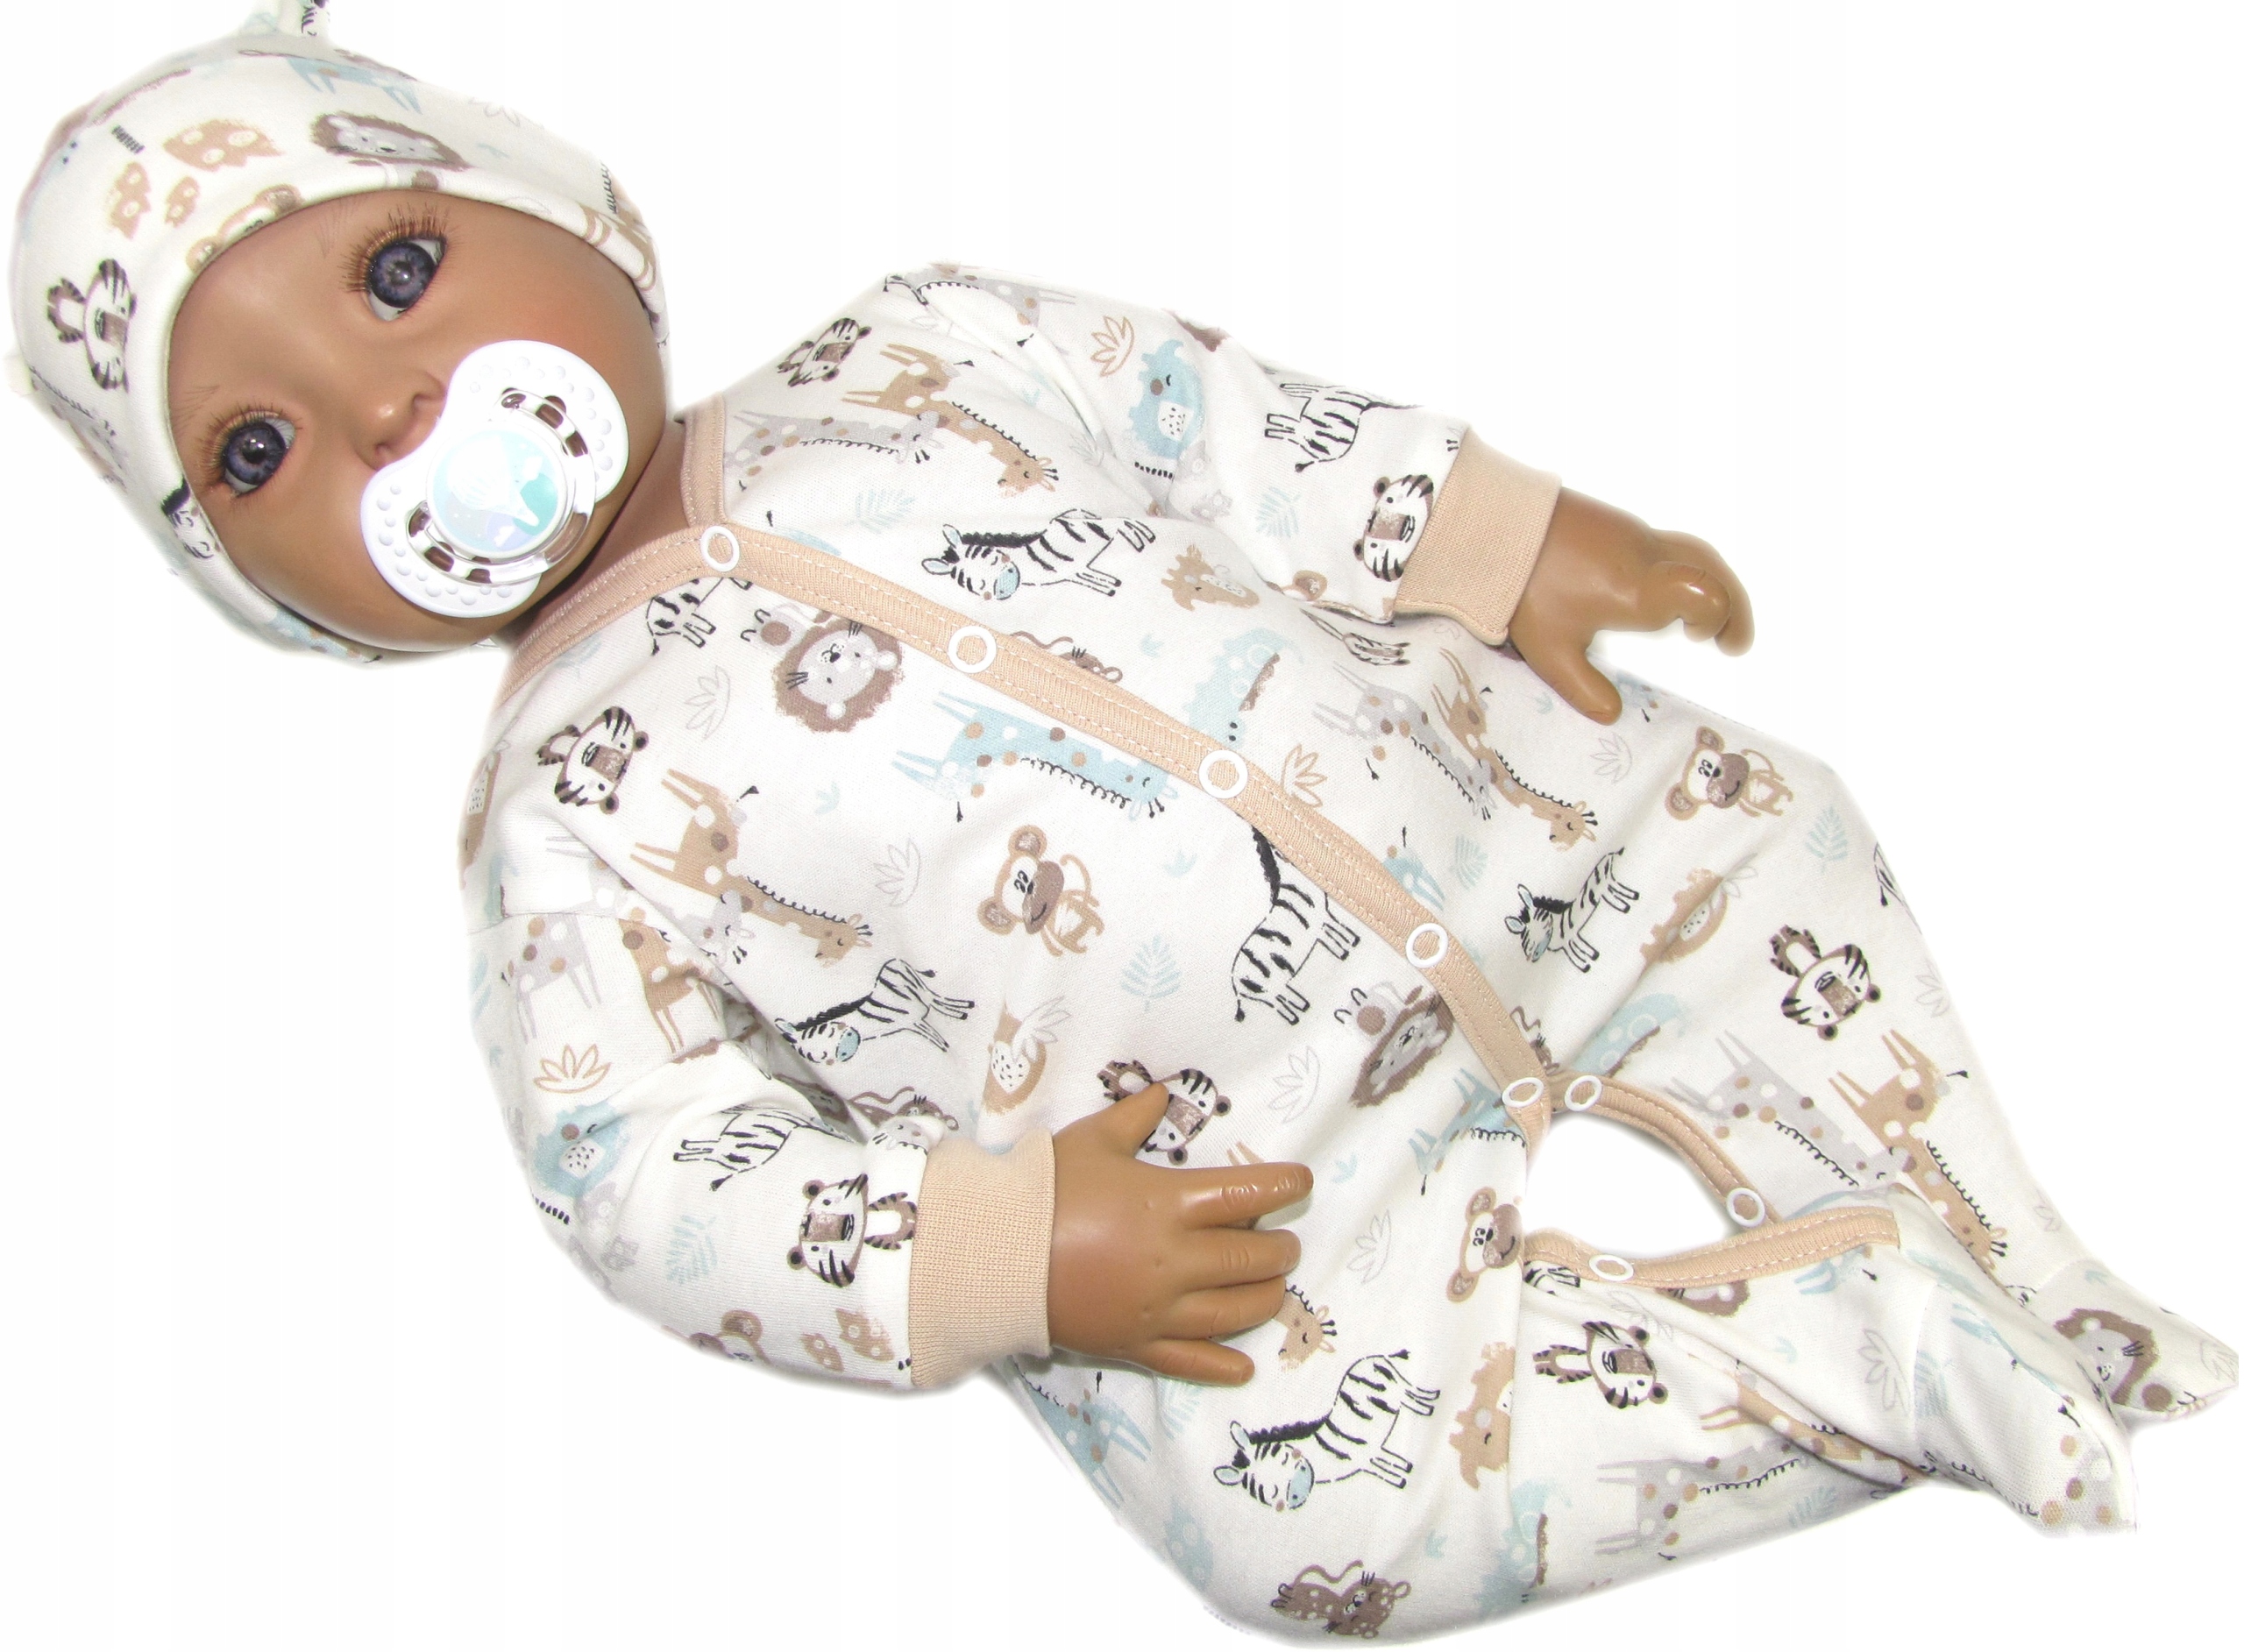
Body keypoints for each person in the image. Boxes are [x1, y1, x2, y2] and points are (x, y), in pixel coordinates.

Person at [11, 9, 2228, 1641]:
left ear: (554, 203)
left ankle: (2027, 1262)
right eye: (257, 450)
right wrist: (1000, 1254)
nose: (389, 403)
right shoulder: (557, 830)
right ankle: (1864, 1360)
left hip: (1523, 824)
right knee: (1311, 1535)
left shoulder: (913, 343)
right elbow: (645, 1168)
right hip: (1231, 1194)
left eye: (398, 272)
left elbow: (1227, 427)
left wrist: (1493, 537)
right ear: (249, 589)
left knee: (1764, 839)